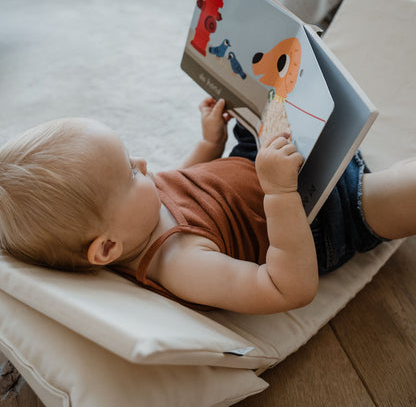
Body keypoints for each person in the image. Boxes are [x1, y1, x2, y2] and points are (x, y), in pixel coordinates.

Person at [0, 98, 415, 314]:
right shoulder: (181, 263)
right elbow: (287, 287)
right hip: (317, 217)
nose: (144, 165)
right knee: (402, 192)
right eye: (130, 173)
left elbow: (179, 182)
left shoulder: (129, 218)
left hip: (258, 165)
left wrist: (209, 143)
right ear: (106, 249)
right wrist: (280, 193)